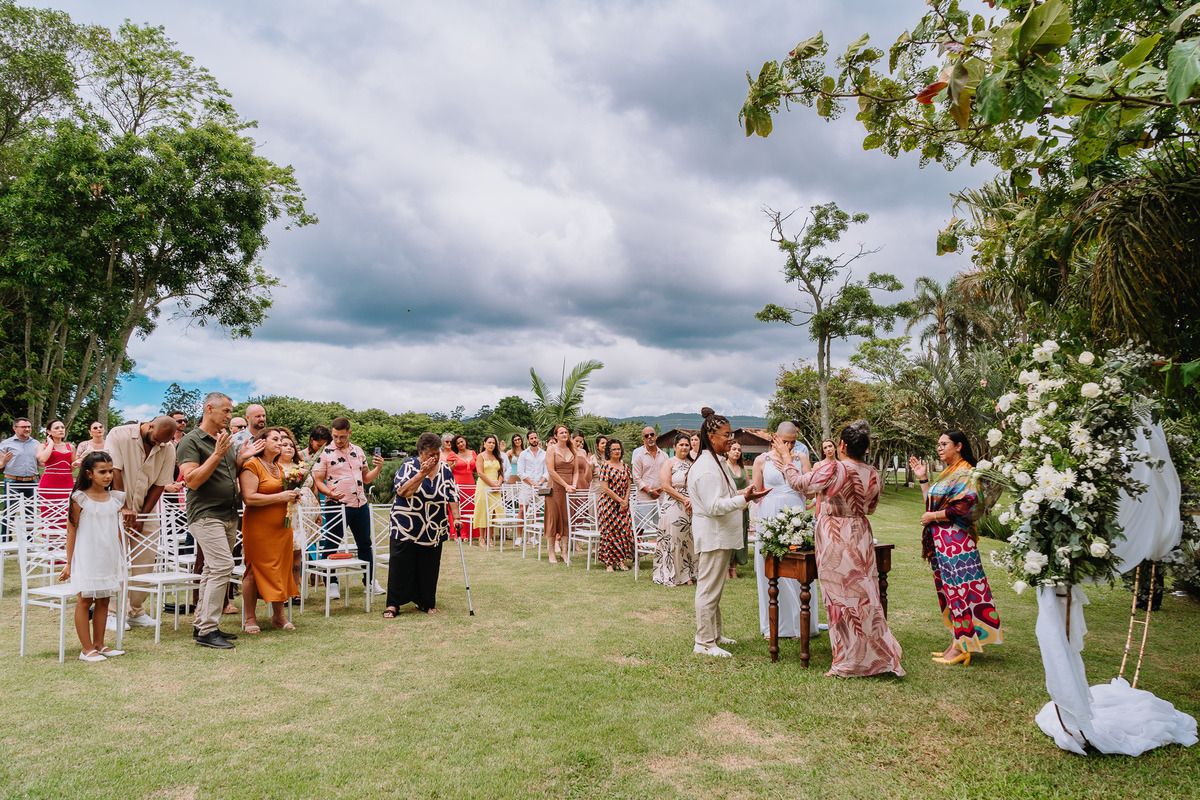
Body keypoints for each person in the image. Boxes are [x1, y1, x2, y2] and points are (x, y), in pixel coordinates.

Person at [776, 420, 905, 677]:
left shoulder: (834, 468)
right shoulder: (873, 473)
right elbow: (871, 509)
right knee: (865, 597)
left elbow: (801, 484)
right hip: (861, 535)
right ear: (865, 449)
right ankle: (876, 654)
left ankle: (847, 662)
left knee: (839, 600)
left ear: (842, 445)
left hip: (835, 539)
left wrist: (785, 459)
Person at [910, 430, 1003, 665]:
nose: (939, 448)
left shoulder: (966, 473)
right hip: (943, 542)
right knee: (950, 592)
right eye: (938, 444)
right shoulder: (949, 472)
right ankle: (958, 642)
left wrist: (932, 517)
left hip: (957, 543)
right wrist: (922, 478)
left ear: (959, 446)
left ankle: (963, 646)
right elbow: (931, 503)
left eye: (944, 444)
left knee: (961, 591)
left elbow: (961, 509)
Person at [689, 409, 770, 658]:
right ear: (711, 437)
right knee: (708, 589)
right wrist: (741, 499)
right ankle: (704, 641)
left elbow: (722, 497)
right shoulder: (707, 468)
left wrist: (745, 495)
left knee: (715, 588)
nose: (731, 438)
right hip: (713, 534)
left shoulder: (717, 463)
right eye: (727, 434)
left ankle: (715, 634)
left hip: (719, 534)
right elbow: (714, 506)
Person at [176, 392, 241, 649]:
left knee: (211, 570)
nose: (229, 416)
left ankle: (203, 625)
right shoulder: (191, 441)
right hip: (205, 514)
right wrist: (216, 454)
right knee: (223, 565)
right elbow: (191, 480)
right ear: (209, 408)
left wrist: (242, 454)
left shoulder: (223, 440)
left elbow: (229, 472)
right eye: (225, 411)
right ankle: (207, 631)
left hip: (228, 513)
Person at [106, 416, 177, 631]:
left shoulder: (167, 447)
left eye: (163, 442)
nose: (158, 444)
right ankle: (111, 612)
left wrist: (142, 516)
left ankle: (135, 610)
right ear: (150, 425)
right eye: (156, 439)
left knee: (145, 562)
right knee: (115, 561)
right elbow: (114, 470)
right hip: (114, 508)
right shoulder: (119, 434)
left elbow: (160, 484)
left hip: (147, 511)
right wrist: (124, 507)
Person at [58, 451, 127, 662]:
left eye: (110, 471)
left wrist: (120, 554)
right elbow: (71, 530)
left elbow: (115, 529)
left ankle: (99, 644)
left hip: (108, 553)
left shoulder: (116, 498)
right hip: (87, 553)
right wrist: (69, 563)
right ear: (89, 473)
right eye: (102, 472)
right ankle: (86, 649)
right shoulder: (79, 498)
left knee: (104, 599)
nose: (108, 476)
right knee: (85, 599)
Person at [383, 432, 461, 617]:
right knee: (401, 565)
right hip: (406, 524)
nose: (434, 457)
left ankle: (425, 602)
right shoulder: (408, 466)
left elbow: (452, 495)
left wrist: (456, 517)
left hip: (434, 526)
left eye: (437, 453)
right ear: (421, 452)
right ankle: (394, 603)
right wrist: (421, 474)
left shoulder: (445, 469)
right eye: (430, 454)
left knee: (429, 566)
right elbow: (402, 491)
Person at [753, 421, 819, 639]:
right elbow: (757, 493)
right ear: (776, 437)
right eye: (786, 441)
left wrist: (794, 470)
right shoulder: (761, 460)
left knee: (797, 564)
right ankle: (775, 624)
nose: (790, 446)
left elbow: (809, 492)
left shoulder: (801, 459)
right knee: (771, 567)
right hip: (769, 513)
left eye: (793, 441)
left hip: (795, 511)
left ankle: (799, 624)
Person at [313, 417, 385, 598]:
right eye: (335, 436)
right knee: (331, 543)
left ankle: (369, 581)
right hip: (336, 505)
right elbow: (318, 481)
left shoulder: (358, 451)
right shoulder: (325, 452)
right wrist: (329, 493)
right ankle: (332, 583)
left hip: (360, 504)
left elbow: (366, 478)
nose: (338, 440)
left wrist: (379, 468)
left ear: (349, 433)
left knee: (365, 544)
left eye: (342, 437)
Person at [239, 428, 301, 633]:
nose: (280, 443)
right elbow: (249, 498)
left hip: (281, 527)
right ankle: (249, 618)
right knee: (254, 571)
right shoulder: (252, 465)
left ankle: (278, 616)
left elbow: (283, 494)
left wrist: (292, 496)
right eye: (275, 439)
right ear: (261, 443)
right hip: (259, 527)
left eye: (282, 440)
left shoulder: (278, 467)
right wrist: (281, 497)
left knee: (281, 569)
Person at [653, 434, 696, 587]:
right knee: (673, 540)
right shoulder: (669, 463)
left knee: (687, 540)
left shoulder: (693, 464)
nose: (684, 447)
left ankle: (687, 574)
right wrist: (684, 499)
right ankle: (670, 574)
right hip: (673, 505)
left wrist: (692, 500)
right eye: (681, 445)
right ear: (675, 447)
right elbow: (665, 486)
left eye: (687, 445)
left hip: (691, 506)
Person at [595, 439, 633, 571]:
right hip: (608, 504)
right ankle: (608, 562)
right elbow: (606, 489)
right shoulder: (605, 466)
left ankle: (621, 561)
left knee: (623, 531)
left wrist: (625, 501)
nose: (617, 451)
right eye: (614, 449)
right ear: (608, 452)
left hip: (623, 504)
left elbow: (629, 486)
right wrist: (620, 501)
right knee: (609, 532)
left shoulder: (625, 466)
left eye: (618, 449)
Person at [1, 417, 39, 540]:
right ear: (15, 428)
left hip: (32, 482)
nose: (27, 429)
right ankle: (5, 540)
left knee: (31, 513)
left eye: (29, 427)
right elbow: (0, 465)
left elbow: (41, 463)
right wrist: (4, 461)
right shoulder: (6, 444)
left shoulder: (36, 444)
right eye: (24, 427)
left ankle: (29, 541)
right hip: (12, 482)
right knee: (9, 512)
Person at [544, 424, 577, 563]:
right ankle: (552, 551)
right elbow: (551, 471)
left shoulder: (572, 449)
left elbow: (575, 471)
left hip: (570, 489)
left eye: (566, 432)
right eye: (561, 432)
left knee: (566, 519)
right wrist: (565, 485)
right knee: (553, 519)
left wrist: (573, 485)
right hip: (555, 488)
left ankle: (564, 551)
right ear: (556, 436)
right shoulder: (551, 449)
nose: (564, 434)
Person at [471, 434, 505, 545]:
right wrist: (491, 485)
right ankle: (481, 538)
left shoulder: (498, 456)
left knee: (493, 511)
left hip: (495, 486)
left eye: (493, 443)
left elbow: (501, 473)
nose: (491, 445)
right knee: (483, 510)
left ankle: (490, 537)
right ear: (484, 443)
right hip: (484, 486)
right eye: (489, 442)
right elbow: (480, 473)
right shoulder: (481, 456)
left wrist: (498, 485)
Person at [36, 419, 75, 506]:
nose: (61, 430)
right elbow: (42, 459)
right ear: (49, 431)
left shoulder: (70, 447)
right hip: (49, 483)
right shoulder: (42, 446)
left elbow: (72, 468)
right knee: (49, 512)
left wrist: (79, 463)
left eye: (62, 427)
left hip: (67, 482)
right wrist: (50, 444)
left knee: (67, 511)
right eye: (57, 428)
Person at [446, 435, 478, 540]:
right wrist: (452, 466)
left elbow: (476, 469)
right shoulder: (453, 455)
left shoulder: (472, 453)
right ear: (456, 445)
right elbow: (447, 471)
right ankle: (459, 533)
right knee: (459, 508)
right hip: (458, 484)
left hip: (470, 483)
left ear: (465, 441)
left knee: (471, 507)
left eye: (462, 442)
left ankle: (471, 533)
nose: (461, 444)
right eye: (458, 443)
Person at [726, 441, 749, 579]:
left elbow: (748, 488)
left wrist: (744, 505)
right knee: (728, 538)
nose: (736, 452)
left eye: (739, 449)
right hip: (729, 507)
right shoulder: (723, 467)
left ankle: (734, 568)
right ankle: (725, 569)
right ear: (728, 451)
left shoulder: (743, 468)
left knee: (739, 538)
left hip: (742, 507)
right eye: (734, 449)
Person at [631, 427, 667, 504]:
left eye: (652, 434)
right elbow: (636, 478)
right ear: (643, 439)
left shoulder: (664, 456)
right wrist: (650, 491)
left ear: (656, 436)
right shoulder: (639, 457)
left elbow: (668, 475)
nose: (650, 437)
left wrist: (661, 489)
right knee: (644, 517)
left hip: (662, 497)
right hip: (644, 499)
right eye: (646, 436)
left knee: (662, 516)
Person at [232, 403, 267, 468]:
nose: (262, 419)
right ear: (248, 417)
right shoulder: (235, 440)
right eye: (258, 416)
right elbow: (230, 467)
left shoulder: (269, 437)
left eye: (264, 416)